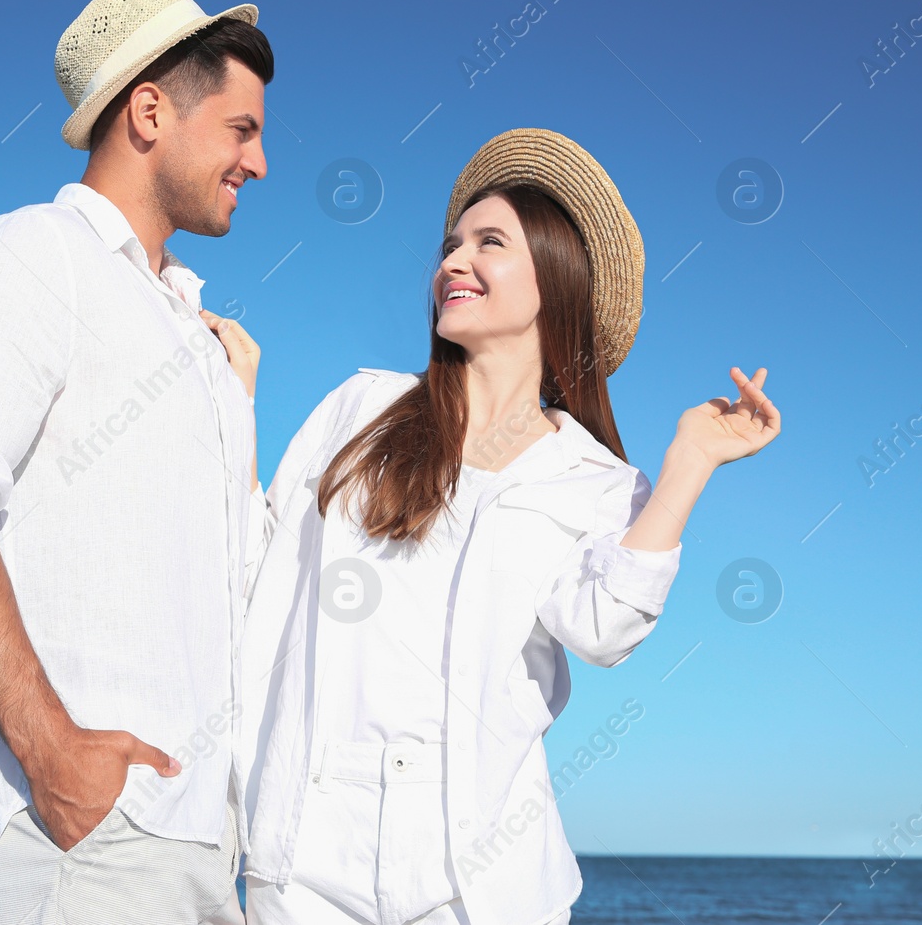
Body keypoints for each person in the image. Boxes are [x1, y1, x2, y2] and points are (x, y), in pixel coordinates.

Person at [215, 128, 780, 925]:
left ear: (554, 278)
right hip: (309, 861)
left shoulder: (596, 480)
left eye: (489, 243)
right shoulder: (360, 407)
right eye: (451, 244)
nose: (452, 260)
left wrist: (689, 463)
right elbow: (257, 568)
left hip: (482, 885)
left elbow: (606, 627)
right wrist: (235, 408)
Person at [0, 0, 273, 925]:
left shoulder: (200, 339)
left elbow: (242, 585)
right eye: (242, 129)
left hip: (202, 841)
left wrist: (235, 409)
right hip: (89, 840)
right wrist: (50, 750)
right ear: (148, 114)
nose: (258, 164)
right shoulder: (35, 257)